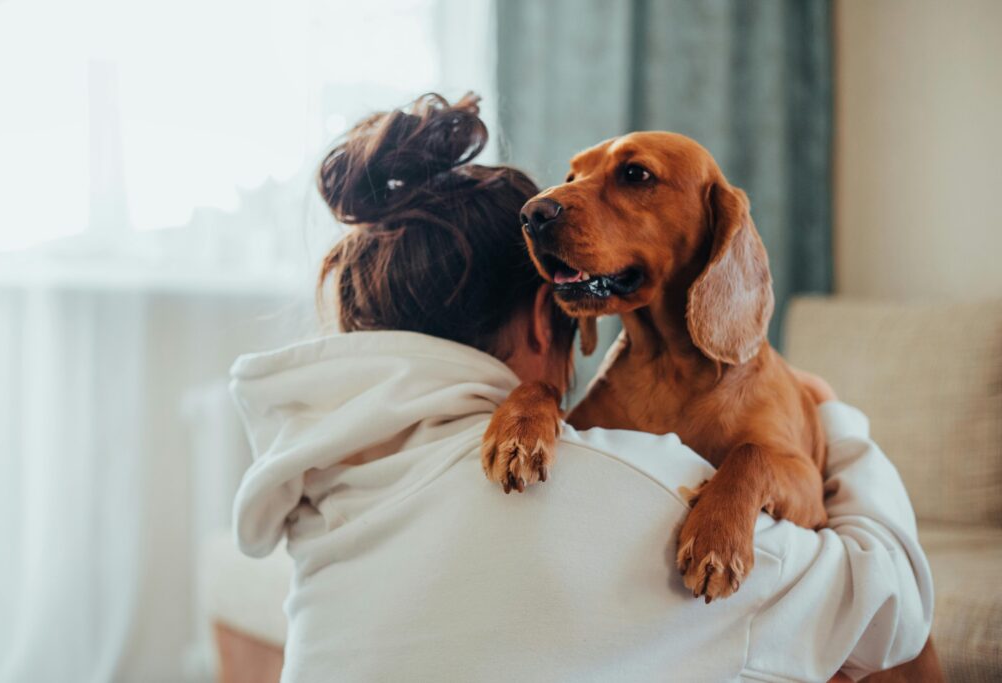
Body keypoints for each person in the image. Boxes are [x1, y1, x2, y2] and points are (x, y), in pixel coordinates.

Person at [231, 94, 933, 682]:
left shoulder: (324, 484)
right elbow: (891, 610)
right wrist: (837, 414)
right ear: (550, 316)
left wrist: (755, 467)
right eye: (576, 177)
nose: (556, 202)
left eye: (633, 175)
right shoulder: (620, 489)